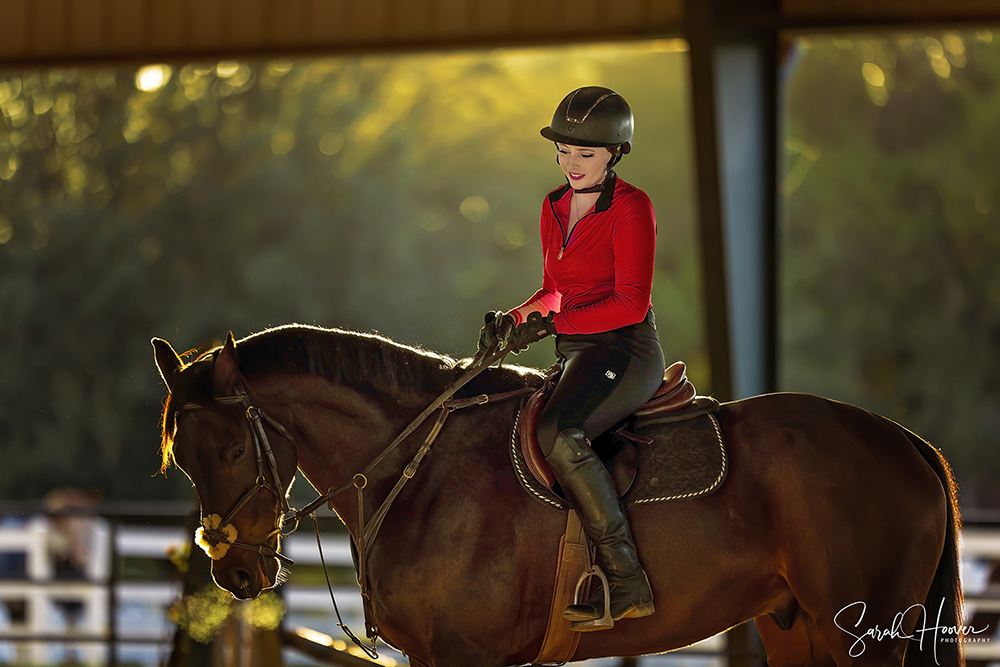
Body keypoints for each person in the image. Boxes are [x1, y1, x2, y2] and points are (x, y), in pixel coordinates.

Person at [479, 86, 665, 630]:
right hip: (579, 347)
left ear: (615, 154)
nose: (571, 164)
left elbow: (631, 301)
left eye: (585, 154)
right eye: (563, 151)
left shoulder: (633, 208)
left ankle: (628, 580)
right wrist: (515, 318)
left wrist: (554, 324)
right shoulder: (553, 205)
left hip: (625, 349)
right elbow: (552, 289)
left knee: (560, 434)